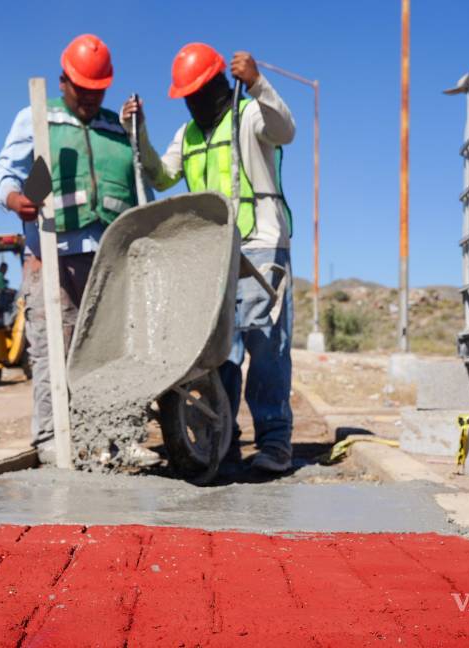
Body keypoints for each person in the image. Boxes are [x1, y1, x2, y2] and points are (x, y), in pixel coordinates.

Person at [122, 43, 296, 473]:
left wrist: (258, 84)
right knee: (222, 352)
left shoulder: (250, 115)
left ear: (220, 84)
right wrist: (139, 132)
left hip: (261, 243)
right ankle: (224, 440)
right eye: (188, 96)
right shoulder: (187, 135)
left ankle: (274, 443)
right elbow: (161, 176)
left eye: (201, 91)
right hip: (213, 254)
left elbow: (285, 129)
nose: (195, 102)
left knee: (268, 348)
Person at [0, 34, 150, 461]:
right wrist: (13, 199)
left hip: (112, 260)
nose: (90, 100)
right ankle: (52, 442)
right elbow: (4, 174)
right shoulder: (37, 118)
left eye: (99, 92)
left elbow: (141, 188)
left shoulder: (116, 128)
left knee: (116, 354)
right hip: (53, 255)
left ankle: (119, 440)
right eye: (83, 91)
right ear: (64, 82)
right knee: (53, 355)